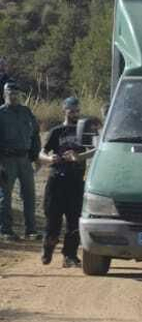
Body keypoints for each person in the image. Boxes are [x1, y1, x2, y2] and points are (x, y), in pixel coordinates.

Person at [41, 97, 95, 267]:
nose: (75, 114)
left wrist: (79, 157)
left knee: (74, 220)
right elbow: (41, 153)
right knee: (53, 220)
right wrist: (49, 158)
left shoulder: (84, 130)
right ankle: (47, 249)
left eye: (77, 110)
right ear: (64, 110)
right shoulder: (57, 131)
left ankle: (69, 256)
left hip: (76, 181)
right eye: (72, 110)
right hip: (56, 180)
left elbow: (96, 150)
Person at [0, 81, 42, 240]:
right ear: (5, 95)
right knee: (5, 196)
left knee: (29, 195)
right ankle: (6, 231)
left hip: (25, 160)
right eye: (10, 94)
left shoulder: (26, 112)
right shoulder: (1, 114)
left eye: (16, 94)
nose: (14, 97)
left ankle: (31, 230)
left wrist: (36, 156)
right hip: (6, 160)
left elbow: (35, 134)